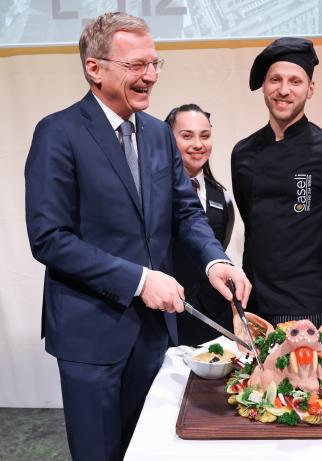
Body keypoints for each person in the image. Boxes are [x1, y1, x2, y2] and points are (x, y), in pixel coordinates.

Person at [24, 12, 250, 461]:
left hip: (154, 336)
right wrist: (141, 280)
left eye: (154, 63)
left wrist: (215, 260)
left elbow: (185, 212)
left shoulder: (158, 135)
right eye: (136, 65)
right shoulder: (58, 133)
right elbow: (49, 238)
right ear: (95, 68)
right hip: (91, 336)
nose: (150, 76)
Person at [232, 37, 322, 327]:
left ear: (310, 89)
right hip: (255, 302)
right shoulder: (243, 153)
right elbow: (250, 220)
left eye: (295, 81)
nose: (283, 90)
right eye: (275, 80)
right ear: (264, 86)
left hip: (311, 302)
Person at [165, 104, 235, 346]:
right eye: (187, 136)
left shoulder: (222, 196)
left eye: (204, 136)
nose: (198, 144)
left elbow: (217, 248)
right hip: (165, 314)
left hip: (211, 318)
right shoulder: (152, 194)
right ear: (168, 138)